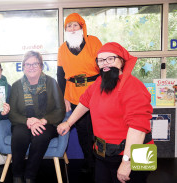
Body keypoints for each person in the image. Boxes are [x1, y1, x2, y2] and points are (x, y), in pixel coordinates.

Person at [57, 42, 154, 183]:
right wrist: (68, 123)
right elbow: (84, 102)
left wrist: (127, 162)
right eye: (101, 60)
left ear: (121, 61)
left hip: (136, 153)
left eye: (110, 59)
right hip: (106, 152)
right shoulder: (99, 83)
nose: (105, 64)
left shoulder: (134, 87)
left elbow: (138, 128)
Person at [9, 51, 66, 183]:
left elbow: (60, 110)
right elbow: (12, 113)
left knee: (40, 136)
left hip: (47, 123)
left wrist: (42, 121)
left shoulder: (51, 82)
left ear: (41, 66)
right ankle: (17, 175)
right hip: (23, 122)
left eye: (35, 63)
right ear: (23, 67)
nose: (31, 67)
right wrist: (28, 121)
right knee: (19, 136)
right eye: (28, 64)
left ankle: (30, 176)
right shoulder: (17, 85)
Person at [57, 12, 102, 174]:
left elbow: (104, 66)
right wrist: (64, 98)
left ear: (82, 27)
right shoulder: (62, 49)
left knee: (98, 130)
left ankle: (101, 162)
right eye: (69, 25)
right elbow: (60, 76)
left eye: (76, 25)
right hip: (74, 95)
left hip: (96, 92)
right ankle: (89, 162)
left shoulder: (94, 42)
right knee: (83, 130)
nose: (72, 28)